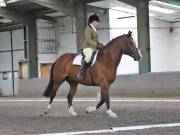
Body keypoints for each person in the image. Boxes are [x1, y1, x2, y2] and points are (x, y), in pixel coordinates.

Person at [77, 14, 104, 79]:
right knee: (88, 57)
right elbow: (88, 40)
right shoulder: (87, 29)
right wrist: (96, 45)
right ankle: (81, 71)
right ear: (94, 21)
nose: (97, 23)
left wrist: (100, 45)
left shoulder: (94, 29)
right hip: (87, 47)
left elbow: (96, 40)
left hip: (93, 47)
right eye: (97, 22)